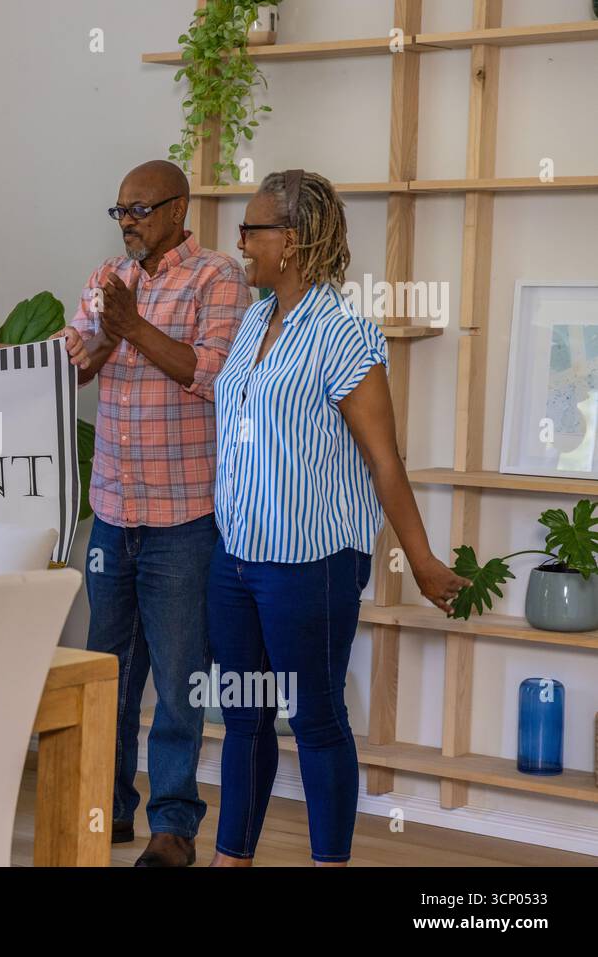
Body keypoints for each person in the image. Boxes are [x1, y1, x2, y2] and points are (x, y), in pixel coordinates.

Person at [208, 169, 468, 866]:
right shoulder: (252, 321)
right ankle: (231, 858)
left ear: (290, 241)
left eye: (252, 230)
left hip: (309, 563)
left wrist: (422, 561)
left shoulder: (343, 334)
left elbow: (385, 459)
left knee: (316, 719)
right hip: (234, 556)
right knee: (243, 717)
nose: (241, 243)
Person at [54, 160, 250, 866]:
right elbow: (77, 366)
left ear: (178, 209)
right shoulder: (111, 277)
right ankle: (108, 809)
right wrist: (93, 339)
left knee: (177, 677)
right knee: (107, 670)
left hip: (183, 517)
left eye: (139, 210)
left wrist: (132, 326)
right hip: (111, 509)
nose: (128, 223)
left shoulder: (219, 278)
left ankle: (174, 827)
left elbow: (214, 374)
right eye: (120, 212)